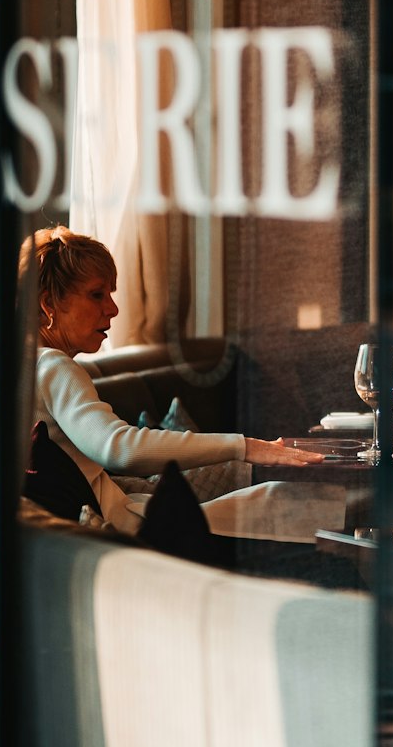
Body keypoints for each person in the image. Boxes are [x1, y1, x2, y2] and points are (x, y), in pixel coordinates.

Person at [22, 225, 326, 539]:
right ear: (48, 305)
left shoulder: (14, 363)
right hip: (123, 532)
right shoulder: (52, 365)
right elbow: (119, 448)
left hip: (94, 521)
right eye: (97, 294)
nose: (112, 309)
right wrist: (245, 446)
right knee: (293, 502)